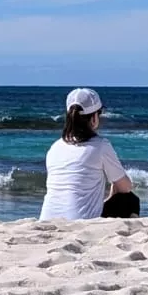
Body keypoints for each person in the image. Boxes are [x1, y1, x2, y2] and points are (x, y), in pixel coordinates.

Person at [39, 87, 136, 221]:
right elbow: (125, 187)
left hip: (46, 221)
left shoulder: (54, 147)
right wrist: (114, 190)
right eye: (99, 113)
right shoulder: (100, 145)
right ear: (94, 118)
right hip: (80, 222)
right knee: (130, 200)